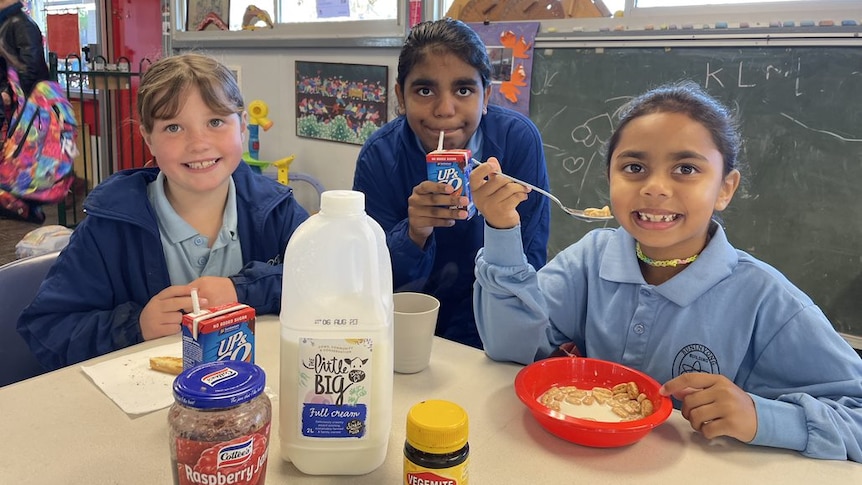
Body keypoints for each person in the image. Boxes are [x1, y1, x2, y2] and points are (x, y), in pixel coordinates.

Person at [470, 82, 862, 461]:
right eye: (635, 167)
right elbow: (509, 351)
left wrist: (764, 417)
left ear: (725, 189)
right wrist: (503, 228)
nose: (655, 187)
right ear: (610, 179)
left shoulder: (766, 299)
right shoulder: (591, 259)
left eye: (686, 169)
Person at [17, 53, 309, 371]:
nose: (198, 143)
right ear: (148, 139)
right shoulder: (109, 229)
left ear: (242, 128)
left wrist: (241, 290)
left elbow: (331, 282)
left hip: (253, 391)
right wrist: (135, 327)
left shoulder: (278, 211)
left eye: (215, 122)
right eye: (173, 127)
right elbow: (47, 328)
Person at [353, 18, 550, 349]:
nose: (444, 110)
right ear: (401, 97)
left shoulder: (517, 140)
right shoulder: (380, 155)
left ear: (485, 96)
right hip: (409, 323)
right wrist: (413, 233)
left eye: (463, 90)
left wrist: (501, 224)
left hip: (493, 323)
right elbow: (372, 275)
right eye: (425, 90)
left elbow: (530, 259)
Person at [0, 0, 51, 222]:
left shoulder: (20, 24)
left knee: (20, 162)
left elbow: (32, 68)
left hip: (19, 110)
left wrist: (9, 94)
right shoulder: (10, 23)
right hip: (13, 109)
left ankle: (25, 212)